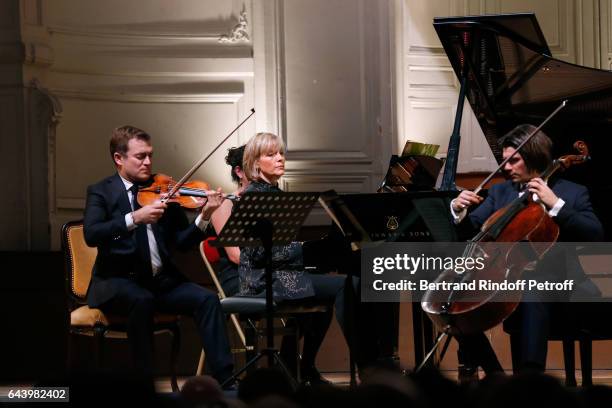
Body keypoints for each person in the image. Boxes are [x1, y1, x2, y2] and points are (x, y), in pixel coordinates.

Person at [83, 125, 234, 386]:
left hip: (160, 283)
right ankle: (144, 385)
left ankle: (227, 379)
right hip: (118, 282)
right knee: (141, 300)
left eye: (150, 155)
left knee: (208, 300)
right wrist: (134, 218)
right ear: (119, 158)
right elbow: (92, 233)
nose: (148, 162)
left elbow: (182, 243)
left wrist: (205, 215)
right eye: (140, 156)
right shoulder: (101, 191)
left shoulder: (165, 190)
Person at [450, 124, 604, 374]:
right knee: (450, 298)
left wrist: (555, 204)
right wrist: (459, 212)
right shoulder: (500, 192)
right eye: (505, 162)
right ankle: (494, 374)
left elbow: (595, 235)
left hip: (562, 283)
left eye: (514, 160)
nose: (507, 168)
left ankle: (530, 381)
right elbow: (473, 230)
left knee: (532, 286)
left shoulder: (571, 192)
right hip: (507, 278)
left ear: (534, 157)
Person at [238, 132, 348, 384]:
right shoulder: (255, 196)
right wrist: (304, 249)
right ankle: (366, 364)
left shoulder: (273, 193)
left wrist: (305, 250)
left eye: (281, 153)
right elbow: (257, 253)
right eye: (271, 154)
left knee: (327, 295)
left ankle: (297, 366)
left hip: (279, 275)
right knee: (344, 286)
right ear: (255, 163)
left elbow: (280, 248)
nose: (280, 158)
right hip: (259, 281)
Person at [210, 145, 248, 297]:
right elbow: (235, 256)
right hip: (238, 277)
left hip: (268, 273)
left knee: (319, 292)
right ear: (239, 172)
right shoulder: (225, 204)